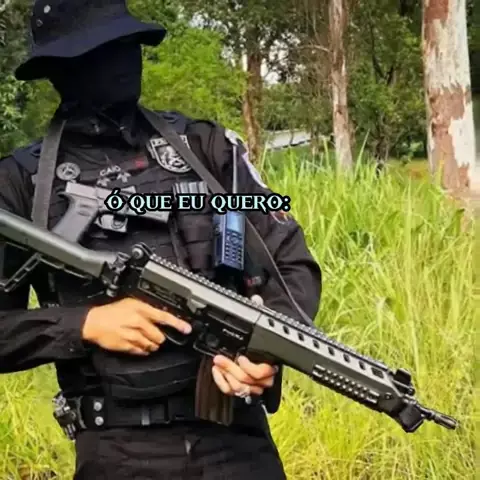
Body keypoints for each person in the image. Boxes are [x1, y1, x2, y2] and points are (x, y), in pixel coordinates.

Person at [0, 0, 321, 479]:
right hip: (118, 451)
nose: (123, 62)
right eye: (102, 50)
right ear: (59, 68)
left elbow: (290, 262)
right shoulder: (20, 184)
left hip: (237, 441)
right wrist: (84, 324)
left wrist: (263, 349)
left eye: (128, 44)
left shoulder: (208, 148)